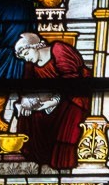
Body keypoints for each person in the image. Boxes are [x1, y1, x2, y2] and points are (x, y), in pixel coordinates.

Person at [8, 32, 89, 170]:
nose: (26, 59)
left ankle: (60, 162)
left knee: (70, 110)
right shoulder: (30, 65)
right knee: (29, 115)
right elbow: (27, 89)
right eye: (23, 57)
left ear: (36, 46)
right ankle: (37, 158)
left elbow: (72, 81)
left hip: (73, 96)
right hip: (47, 100)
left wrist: (55, 101)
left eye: (26, 53)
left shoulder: (59, 51)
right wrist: (24, 104)